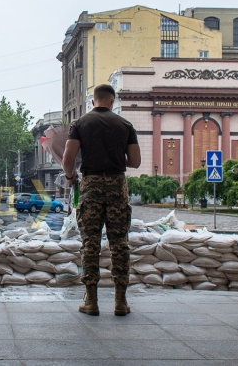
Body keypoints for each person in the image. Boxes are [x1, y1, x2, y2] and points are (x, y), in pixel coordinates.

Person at [62, 84, 141, 316]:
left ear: (93, 101)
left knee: (90, 243)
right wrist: (115, 157)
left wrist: (70, 176)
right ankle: (120, 301)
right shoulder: (126, 125)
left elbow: (68, 158)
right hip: (117, 186)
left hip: (91, 186)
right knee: (119, 244)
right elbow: (135, 161)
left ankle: (92, 301)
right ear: (112, 101)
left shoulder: (80, 124)